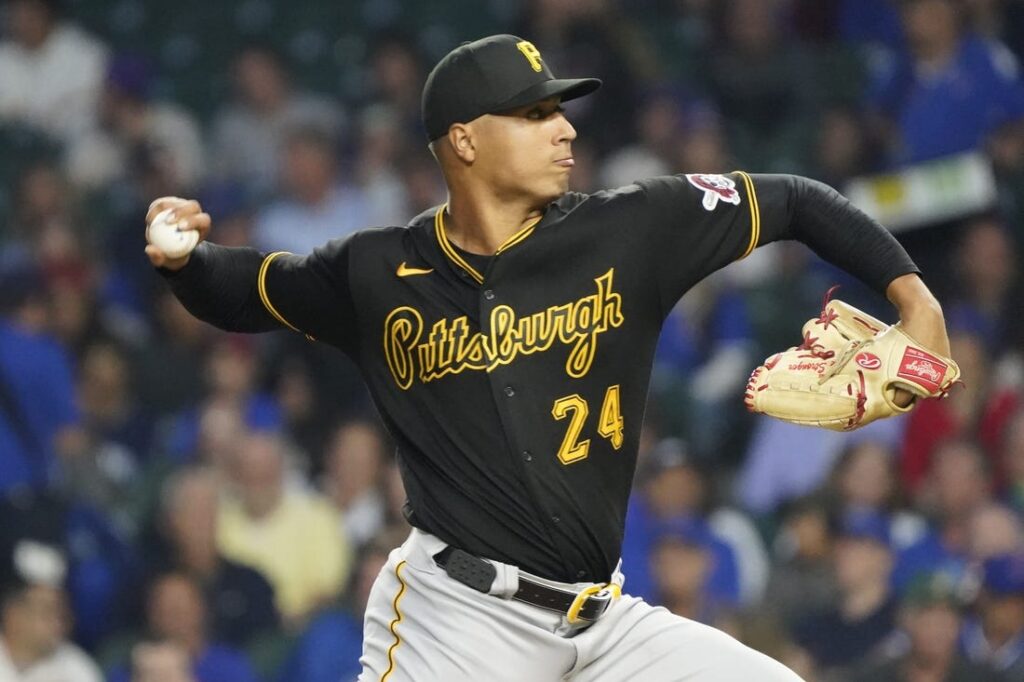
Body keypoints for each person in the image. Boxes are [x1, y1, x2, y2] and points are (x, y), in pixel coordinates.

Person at [146, 33, 953, 681]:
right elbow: (252, 288)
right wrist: (183, 260)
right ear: (463, 140)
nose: (565, 127)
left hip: (604, 623)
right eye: (534, 113)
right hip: (457, 627)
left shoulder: (629, 228)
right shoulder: (376, 269)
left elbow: (795, 200)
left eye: (559, 110)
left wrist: (916, 301)